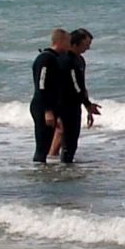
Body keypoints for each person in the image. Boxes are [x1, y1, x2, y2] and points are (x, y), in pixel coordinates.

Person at [56, 28, 101, 164]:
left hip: (75, 104)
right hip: (63, 104)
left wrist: (87, 107)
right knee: (67, 140)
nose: (88, 48)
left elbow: (81, 85)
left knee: (72, 140)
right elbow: (75, 86)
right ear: (75, 44)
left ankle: (65, 166)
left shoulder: (80, 60)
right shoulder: (65, 60)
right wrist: (87, 104)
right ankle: (63, 167)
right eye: (86, 44)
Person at [30, 28, 69, 163]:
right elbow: (42, 85)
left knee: (46, 145)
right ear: (61, 41)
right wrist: (47, 110)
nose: (70, 45)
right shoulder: (46, 59)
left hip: (51, 106)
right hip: (42, 106)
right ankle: (39, 175)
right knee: (42, 146)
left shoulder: (56, 58)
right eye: (68, 41)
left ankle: (44, 173)